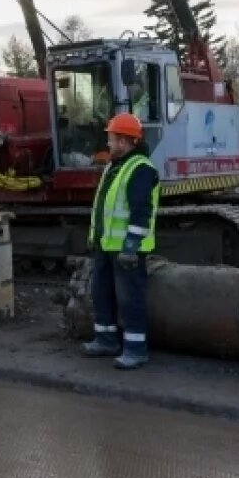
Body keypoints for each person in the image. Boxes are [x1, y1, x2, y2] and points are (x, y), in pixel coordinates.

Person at [82, 113, 159, 369]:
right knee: (101, 293)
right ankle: (106, 340)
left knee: (130, 300)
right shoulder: (114, 166)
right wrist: (95, 238)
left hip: (126, 249)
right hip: (106, 246)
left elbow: (141, 211)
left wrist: (131, 245)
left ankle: (136, 350)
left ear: (125, 142)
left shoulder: (140, 169)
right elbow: (105, 208)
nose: (109, 144)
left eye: (112, 139)